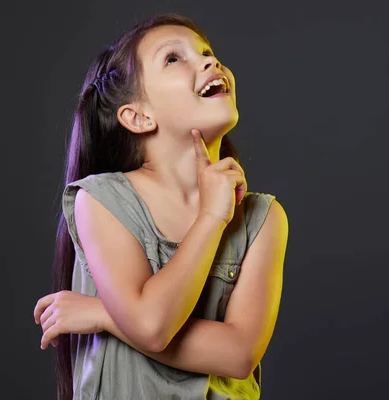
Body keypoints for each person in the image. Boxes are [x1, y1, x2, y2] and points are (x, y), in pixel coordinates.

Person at [33, 12, 288, 400]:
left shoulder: (263, 218)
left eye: (207, 52)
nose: (210, 61)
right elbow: (151, 324)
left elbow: (239, 354)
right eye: (174, 58)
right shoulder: (102, 200)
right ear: (138, 116)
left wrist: (105, 315)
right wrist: (211, 217)